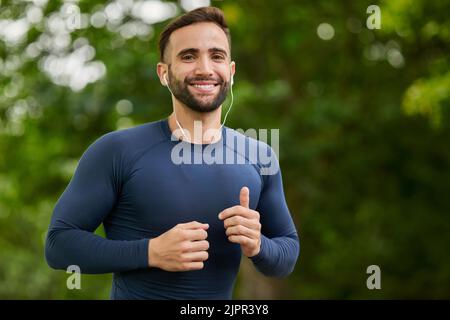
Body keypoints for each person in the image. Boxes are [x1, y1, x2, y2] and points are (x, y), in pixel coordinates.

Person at [45, 6, 300, 300]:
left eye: (216, 56)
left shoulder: (258, 157)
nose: (205, 68)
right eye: (188, 56)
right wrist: (150, 252)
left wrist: (258, 245)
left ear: (230, 71)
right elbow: (58, 245)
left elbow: (287, 254)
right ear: (164, 73)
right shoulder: (116, 151)